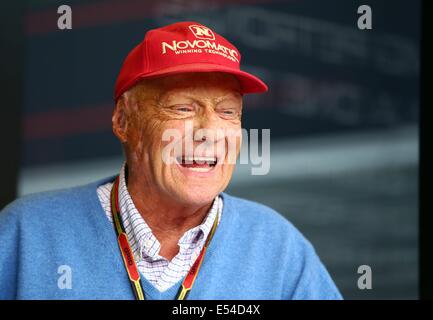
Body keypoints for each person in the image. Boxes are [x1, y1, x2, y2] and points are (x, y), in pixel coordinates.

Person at [0, 21, 342, 300]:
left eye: (228, 112)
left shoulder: (277, 246)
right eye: (182, 108)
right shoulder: (25, 233)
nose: (210, 131)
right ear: (123, 122)